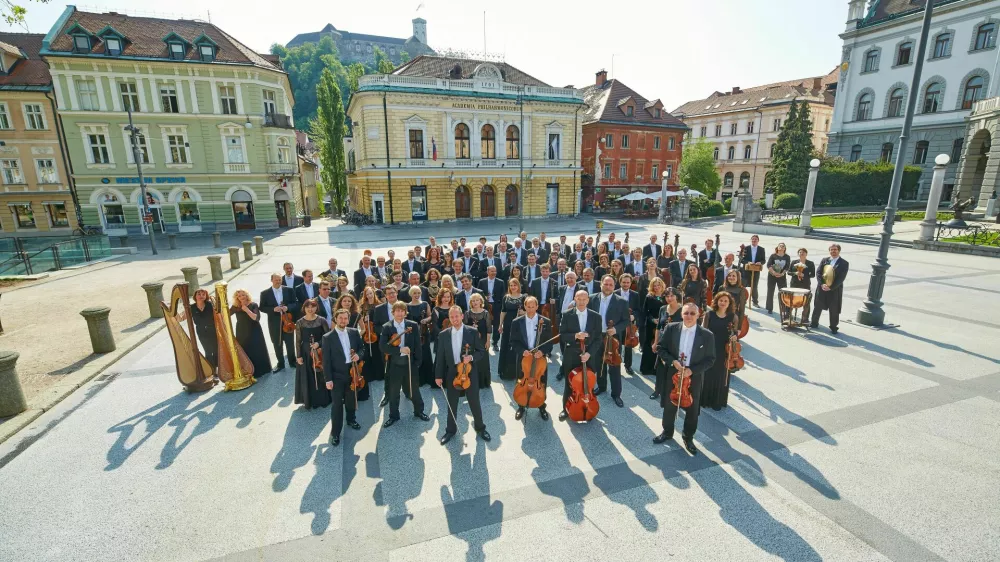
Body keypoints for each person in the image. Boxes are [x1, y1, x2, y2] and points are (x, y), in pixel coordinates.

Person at [654, 303, 716, 455]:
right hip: (673, 373)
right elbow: (661, 348)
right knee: (670, 405)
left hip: (693, 377)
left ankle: (688, 437)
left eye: (692, 313)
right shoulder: (671, 328)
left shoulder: (707, 335)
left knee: (692, 409)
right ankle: (667, 432)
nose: (689, 316)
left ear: (698, 315)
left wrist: (692, 370)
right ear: (681, 314)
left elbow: (710, 359)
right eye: (686, 313)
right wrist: (672, 361)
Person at [436, 305, 491, 444]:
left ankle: (480, 428)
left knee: (474, 401)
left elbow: (481, 351)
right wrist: (438, 376)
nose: (455, 319)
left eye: (457, 316)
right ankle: (450, 430)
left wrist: (471, 358)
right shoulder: (443, 335)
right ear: (449, 318)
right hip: (452, 372)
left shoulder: (472, 332)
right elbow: (440, 358)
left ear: (462, 316)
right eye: (452, 317)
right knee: (451, 403)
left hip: (469, 371)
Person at [379, 301, 429, 427]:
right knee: (394, 392)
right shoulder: (387, 327)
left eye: (402, 311)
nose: (400, 313)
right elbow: (383, 347)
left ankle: (419, 411)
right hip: (395, 364)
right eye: (397, 311)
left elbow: (418, 345)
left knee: (414, 390)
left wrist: (417, 362)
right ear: (393, 312)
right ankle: (394, 416)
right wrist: (399, 350)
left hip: (409, 363)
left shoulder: (412, 325)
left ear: (405, 312)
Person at [323, 308, 367, 446]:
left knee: (351, 399)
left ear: (348, 319)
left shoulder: (354, 333)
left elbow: (362, 349)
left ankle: (351, 419)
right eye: (340, 318)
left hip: (353, 372)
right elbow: (326, 361)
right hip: (336, 376)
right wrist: (328, 379)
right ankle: (335, 433)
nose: (343, 321)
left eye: (345, 318)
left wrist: (358, 355)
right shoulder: (328, 337)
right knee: (336, 405)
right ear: (335, 319)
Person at [558, 290, 602, 422]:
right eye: (579, 299)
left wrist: (589, 354)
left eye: (584, 299)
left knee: (588, 383)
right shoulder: (566, 315)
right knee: (569, 383)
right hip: (571, 354)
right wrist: (575, 336)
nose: (581, 302)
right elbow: (562, 335)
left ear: (588, 300)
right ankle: (565, 408)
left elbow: (598, 339)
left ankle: (588, 405)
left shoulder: (596, 316)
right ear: (575, 299)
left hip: (589, 355)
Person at [511, 296, 555, 421]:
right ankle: (521, 405)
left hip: (539, 359)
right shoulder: (517, 322)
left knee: (541, 382)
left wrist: (542, 351)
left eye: (533, 307)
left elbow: (549, 343)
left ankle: (541, 405)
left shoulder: (545, 321)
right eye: (528, 307)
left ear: (537, 306)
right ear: (525, 306)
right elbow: (513, 341)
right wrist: (521, 351)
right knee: (521, 381)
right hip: (523, 358)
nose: (530, 309)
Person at [588, 276, 629, 408]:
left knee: (614, 366)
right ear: (601, 284)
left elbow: (626, 321)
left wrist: (616, 329)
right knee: (599, 364)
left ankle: (616, 394)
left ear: (614, 286)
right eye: (605, 284)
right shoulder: (592, 298)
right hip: (597, 337)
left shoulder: (621, 301)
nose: (608, 287)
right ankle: (601, 386)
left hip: (612, 338)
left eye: (611, 285)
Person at [701, 292, 736, 411]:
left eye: (726, 301)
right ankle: (705, 399)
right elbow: (703, 331)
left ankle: (718, 401)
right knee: (708, 373)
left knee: (721, 375)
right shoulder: (709, 314)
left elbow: (735, 333)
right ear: (717, 301)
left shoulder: (733, 317)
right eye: (721, 300)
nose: (723, 303)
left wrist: (734, 336)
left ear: (729, 303)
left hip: (724, 349)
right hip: (710, 347)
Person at [294, 298, 332, 410]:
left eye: (313, 307)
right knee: (308, 375)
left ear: (316, 308)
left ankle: (323, 399)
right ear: (304, 308)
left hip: (320, 352)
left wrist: (318, 344)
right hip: (306, 352)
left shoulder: (322, 320)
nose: (310, 309)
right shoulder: (300, 322)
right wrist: (299, 356)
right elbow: (297, 340)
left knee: (321, 374)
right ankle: (310, 400)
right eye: (308, 307)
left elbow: (328, 337)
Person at [229, 289, 272, 377]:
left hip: (254, 330)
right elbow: (225, 315)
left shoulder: (253, 305)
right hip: (241, 331)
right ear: (237, 297)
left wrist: (247, 310)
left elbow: (256, 318)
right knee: (245, 349)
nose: (242, 297)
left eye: (243, 295)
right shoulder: (235, 306)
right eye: (239, 296)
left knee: (256, 349)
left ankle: (259, 371)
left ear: (246, 295)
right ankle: (248, 370)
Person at [260, 273, 298, 373]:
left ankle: (292, 361)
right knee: (277, 343)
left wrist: (288, 307)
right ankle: (280, 363)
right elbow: (262, 307)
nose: (278, 281)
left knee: (290, 343)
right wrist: (273, 309)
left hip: (288, 321)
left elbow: (295, 303)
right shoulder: (265, 293)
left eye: (279, 280)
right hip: (274, 323)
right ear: (271, 280)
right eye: (276, 280)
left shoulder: (289, 290)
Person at [651, 287, 683, 400]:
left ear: (676, 296)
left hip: (676, 344)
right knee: (660, 368)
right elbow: (659, 327)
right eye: (667, 296)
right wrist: (655, 343)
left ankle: (671, 392)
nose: (669, 298)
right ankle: (657, 390)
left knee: (673, 368)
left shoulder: (683, 310)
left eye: (672, 296)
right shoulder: (663, 309)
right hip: (662, 343)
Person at [811, 244, 849, 334]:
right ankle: (814, 323)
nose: (833, 251)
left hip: (835, 290)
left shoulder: (844, 263)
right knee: (817, 306)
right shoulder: (825, 260)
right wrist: (822, 284)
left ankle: (833, 327)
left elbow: (841, 278)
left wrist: (831, 287)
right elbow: (818, 273)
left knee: (834, 309)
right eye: (831, 250)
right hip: (822, 288)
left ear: (839, 250)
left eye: (835, 249)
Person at [406, 286, 436, 387]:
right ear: (411, 294)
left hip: (424, 333)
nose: (417, 295)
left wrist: (426, 320)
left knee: (426, 353)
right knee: (416, 354)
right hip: (413, 334)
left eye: (418, 293)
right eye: (415, 293)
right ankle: (419, 379)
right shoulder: (407, 306)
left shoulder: (425, 304)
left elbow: (430, 316)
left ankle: (428, 378)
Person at [498, 278, 526, 380]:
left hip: (520, 325)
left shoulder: (524, 297)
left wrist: (524, 313)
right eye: (511, 285)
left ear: (518, 286)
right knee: (506, 345)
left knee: (517, 346)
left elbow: (529, 311)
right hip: (508, 324)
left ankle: (517, 371)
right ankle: (504, 370)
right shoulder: (506, 297)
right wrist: (500, 325)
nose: (513, 287)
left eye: (515, 285)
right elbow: (503, 311)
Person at [464, 293, 493, 388]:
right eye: (473, 300)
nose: (475, 302)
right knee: (473, 360)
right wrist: (471, 328)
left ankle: (483, 382)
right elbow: (464, 327)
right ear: (471, 303)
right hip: (471, 341)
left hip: (483, 340)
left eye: (477, 300)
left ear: (481, 301)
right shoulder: (467, 313)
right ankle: (472, 381)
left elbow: (489, 329)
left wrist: (488, 342)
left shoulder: (485, 313)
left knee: (483, 361)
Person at [187, 288, 218, 373]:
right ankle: (211, 370)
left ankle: (218, 368)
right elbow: (181, 318)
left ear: (206, 296)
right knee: (208, 351)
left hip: (213, 330)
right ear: (195, 296)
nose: (201, 296)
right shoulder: (191, 307)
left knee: (215, 350)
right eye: (199, 294)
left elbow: (219, 315)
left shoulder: (210, 305)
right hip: (201, 332)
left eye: (203, 294)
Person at [639, 277, 666, 376]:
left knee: (659, 345)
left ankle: (656, 368)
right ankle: (646, 368)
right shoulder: (649, 297)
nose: (657, 287)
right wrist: (652, 319)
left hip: (662, 323)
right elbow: (645, 311)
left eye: (658, 285)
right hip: (651, 324)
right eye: (654, 286)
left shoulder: (665, 296)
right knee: (648, 345)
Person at [616, 274, 641, 375]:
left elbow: (638, 310)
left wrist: (633, 316)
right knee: (617, 345)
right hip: (617, 323)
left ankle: (628, 365)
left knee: (628, 345)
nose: (626, 284)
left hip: (629, 324)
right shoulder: (615, 293)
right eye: (624, 282)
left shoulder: (635, 294)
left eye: (628, 282)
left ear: (631, 283)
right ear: (620, 282)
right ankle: (616, 364)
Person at [477, 265, 506, 350]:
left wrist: (501, 306)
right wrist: (484, 298)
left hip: (496, 306)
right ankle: (484, 341)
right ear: (487, 272)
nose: (494, 273)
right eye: (492, 271)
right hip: (485, 306)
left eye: (495, 271)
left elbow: (503, 295)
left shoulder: (501, 282)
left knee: (497, 324)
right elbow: (478, 294)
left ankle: (495, 342)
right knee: (484, 323)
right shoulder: (482, 281)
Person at [789, 248, 816, 320]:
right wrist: (795, 273)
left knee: (806, 301)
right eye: (800, 252)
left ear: (806, 254)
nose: (801, 253)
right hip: (794, 284)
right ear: (798, 254)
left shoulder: (810, 263)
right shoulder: (794, 262)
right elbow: (789, 272)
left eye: (803, 252)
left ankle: (805, 318)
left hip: (805, 285)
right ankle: (789, 315)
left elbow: (813, 274)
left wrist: (804, 275)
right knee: (792, 300)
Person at [740, 235, 766, 307]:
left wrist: (760, 263)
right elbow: (742, 259)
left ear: (758, 241)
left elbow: (763, 260)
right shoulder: (746, 248)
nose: (754, 241)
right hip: (746, 270)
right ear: (751, 240)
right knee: (743, 286)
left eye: (756, 239)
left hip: (756, 270)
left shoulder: (761, 249)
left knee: (754, 286)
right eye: (753, 239)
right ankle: (743, 300)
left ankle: (755, 302)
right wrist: (748, 262)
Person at [765, 243, 791, 314]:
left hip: (782, 276)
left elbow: (787, 266)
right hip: (772, 276)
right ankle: (769, 308)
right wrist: (774, 272)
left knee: (783, 292)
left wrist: (782, 273)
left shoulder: (787, 257)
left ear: (785, 248)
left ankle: (785, 308)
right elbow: (769, 265)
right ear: (777, 247)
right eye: (780, 246)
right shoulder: (773, 256)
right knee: (770, 291)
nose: (781, 247)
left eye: (783, 246)